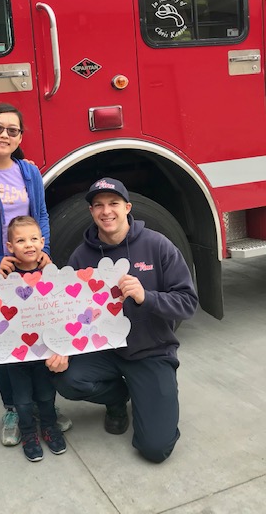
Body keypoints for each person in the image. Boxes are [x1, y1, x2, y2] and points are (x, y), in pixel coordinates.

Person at [47, 177, 198, 463]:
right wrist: (63, 347)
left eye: (113, 203)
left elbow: (188, 303)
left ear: (127, 207)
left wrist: (146, 297)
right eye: (98, 205)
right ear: (91, 211)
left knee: (155, 449)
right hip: (104, 352)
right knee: (66, 379)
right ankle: (117, 397)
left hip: (150, 352)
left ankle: (147, 392)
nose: (106, 211)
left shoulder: (158, 246)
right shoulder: (81, 256)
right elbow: (69, 311)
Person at [0, 102, 72, 446]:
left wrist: (43, 250)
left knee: (41, 341)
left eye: (12, 130)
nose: (4, 135)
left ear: (20, 137)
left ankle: (44, 409)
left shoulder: (29, 173)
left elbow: (41, 214)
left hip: (34, 278)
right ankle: (12, 410)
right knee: (5, 348)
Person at [0, 216, 67, 461]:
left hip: (43, 350)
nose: (28, 245)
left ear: (42, 242)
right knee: (22, 399)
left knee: (46, 394)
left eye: (33, 239)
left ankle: (49, 427)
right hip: (16, 353)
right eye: (20, 241)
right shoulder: (3, 279)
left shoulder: (51, 274)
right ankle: (29, 433)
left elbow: (63, 307)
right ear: (10, 247)